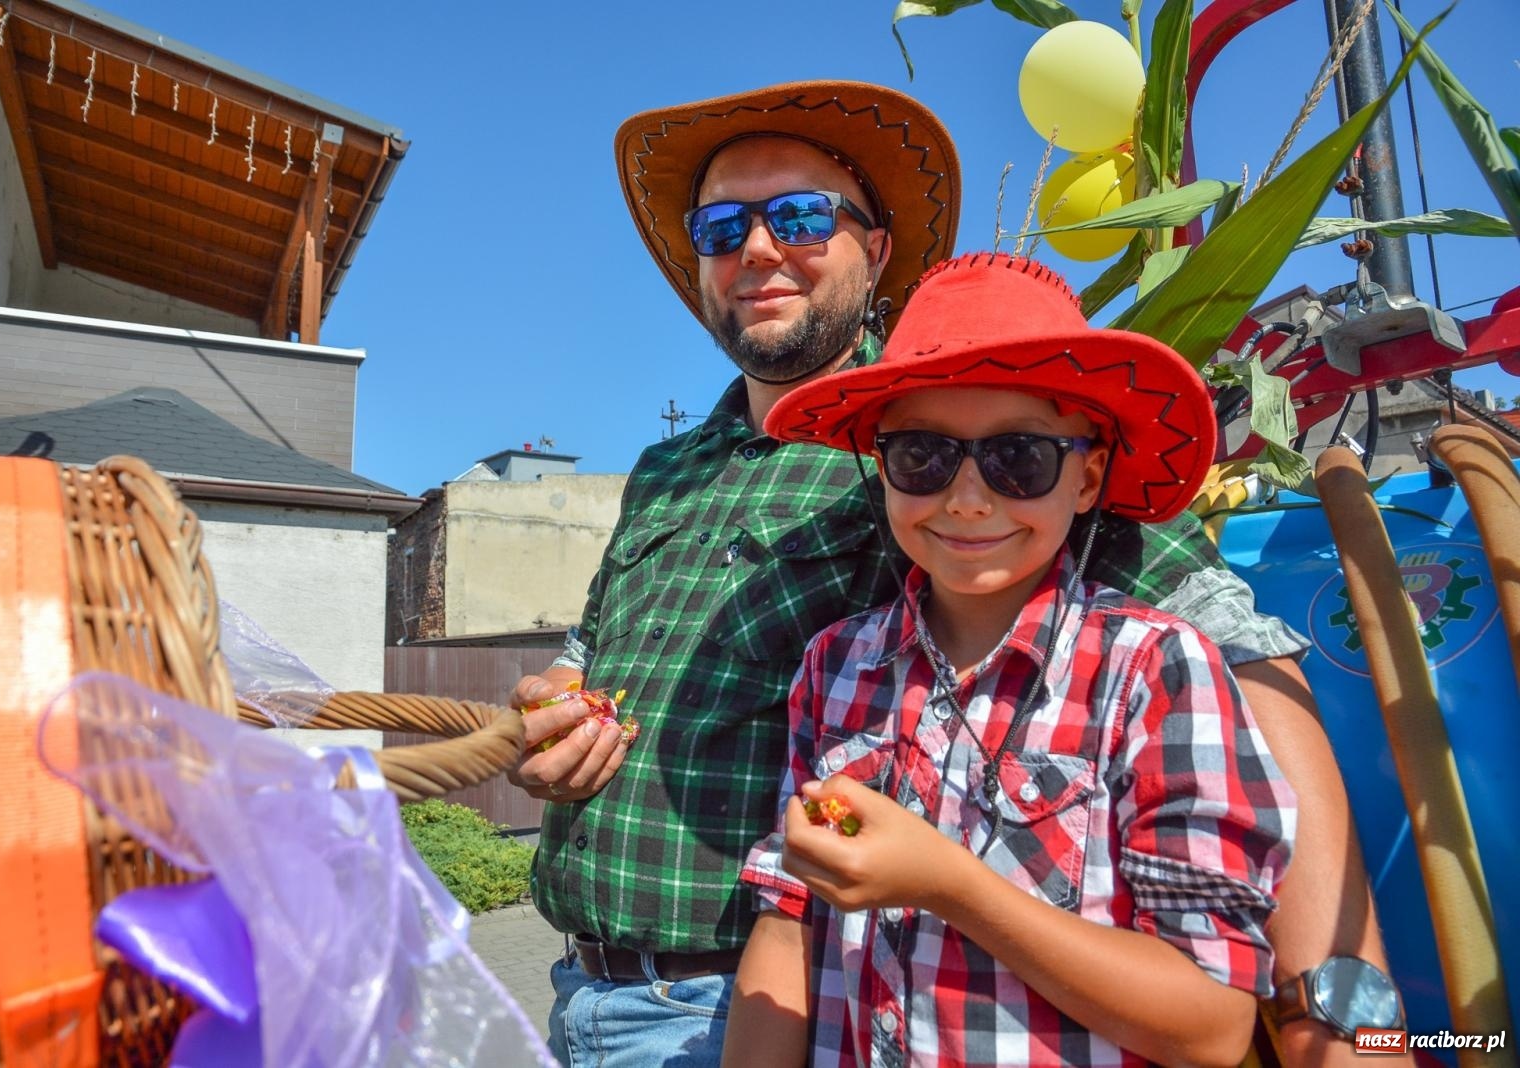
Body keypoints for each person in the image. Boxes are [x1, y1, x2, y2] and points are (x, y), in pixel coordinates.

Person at [508, 80, 1401, 1067]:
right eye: (722, 226)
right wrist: (557, 704)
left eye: (800, 215)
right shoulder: (671, 469)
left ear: (877, 251)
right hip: (580, 991)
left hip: (771, 1005)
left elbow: (1237, 658)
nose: (758, 248)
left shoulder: (976, 405)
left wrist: (1341, 1010)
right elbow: (594, 658)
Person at [726, 251, 1295, 1067]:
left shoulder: (1155, 671)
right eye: (922, 455)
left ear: (1089, 474)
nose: (966, 497)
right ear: (881, 466)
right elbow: (787, 925)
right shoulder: (836, 665)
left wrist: (949, 885)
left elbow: (1209, 1022)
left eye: (1018, 457)